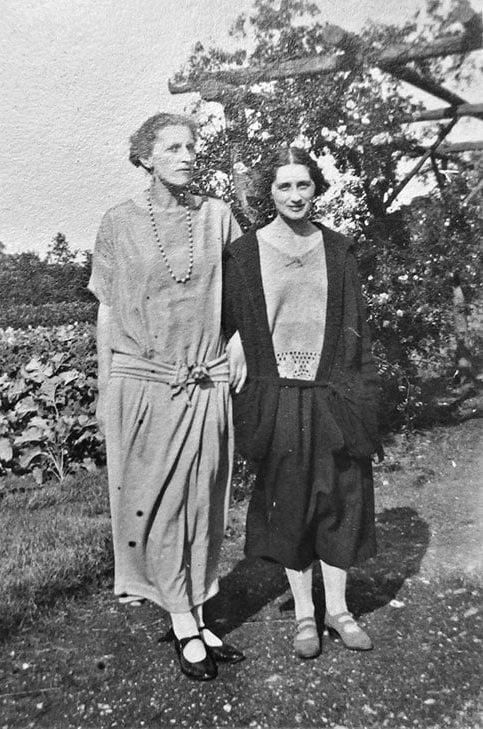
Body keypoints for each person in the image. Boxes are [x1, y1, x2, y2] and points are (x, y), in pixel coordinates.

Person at [88, 112, 244, 680]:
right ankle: (183, 620)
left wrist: (240, 343)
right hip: (144, 381)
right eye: (172, 147)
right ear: (145, 157)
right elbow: (107, 309)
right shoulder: (118, 223)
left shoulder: (218, 217)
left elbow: (245, 294)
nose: (186, 155)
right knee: (158, 504)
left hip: (204, 377)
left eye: (191, 146)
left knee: (202, 499)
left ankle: (197, 612)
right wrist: (106, 387)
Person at [223, 146, 383, 659]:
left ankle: (338, 610)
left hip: (332, 393)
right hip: (278, 396)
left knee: (339, 501)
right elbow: (230, 317)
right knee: (291, 504)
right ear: (267, 194)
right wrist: (235, 338)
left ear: (317, 189)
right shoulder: (244, 254)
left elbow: (356, 328)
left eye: (304, 185)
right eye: (283, 186)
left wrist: (354, 394)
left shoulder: (339, 251)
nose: (295, 196)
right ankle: (305, 617)